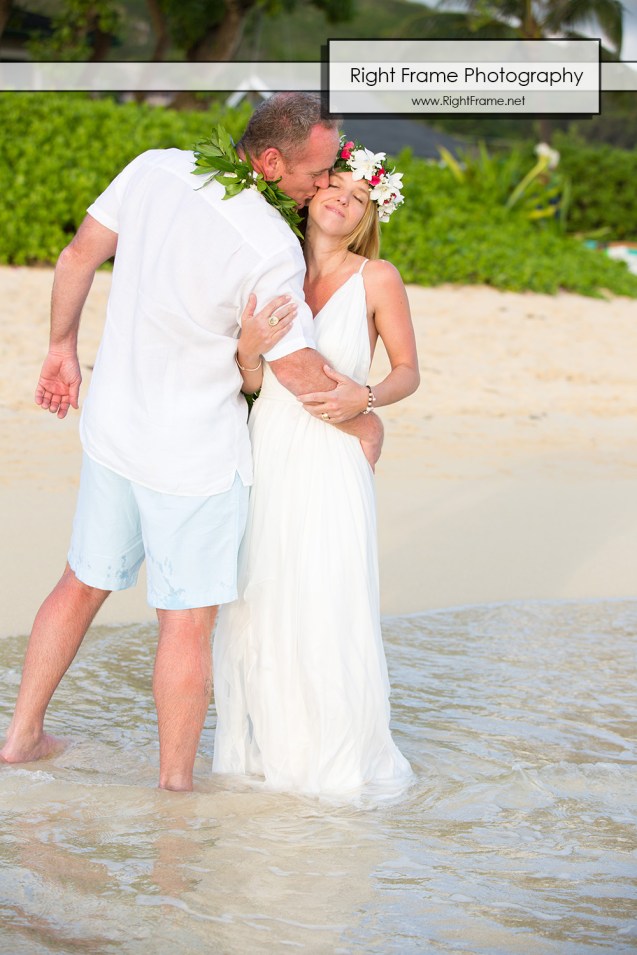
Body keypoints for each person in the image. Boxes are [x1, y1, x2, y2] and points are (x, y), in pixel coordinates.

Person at [0, 95, 386, 792]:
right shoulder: (270, 247)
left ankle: (21, 737)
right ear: (270, 162)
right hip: (193, 458)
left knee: (81, 580)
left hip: (115, 427)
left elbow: (78, 255)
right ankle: (175, 790)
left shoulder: (155, 167)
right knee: (185, 625)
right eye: (315, 169)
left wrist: (61, 349)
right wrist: (363, 410)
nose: (321, 183)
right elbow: (295, 368)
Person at [212, 138, 420, 797]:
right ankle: (267, 756)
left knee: (328, 595)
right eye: (335, 185)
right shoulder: (270, 264)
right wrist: (247, 349)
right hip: (267, 444)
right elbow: (249, 380)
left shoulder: (376, 277)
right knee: (260, 593)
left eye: (359, 197)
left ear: (369, 216)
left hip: (333, 454)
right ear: (310, 194)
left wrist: (367, 399)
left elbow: (408, 371)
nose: (342, 198)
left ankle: (331, 761)